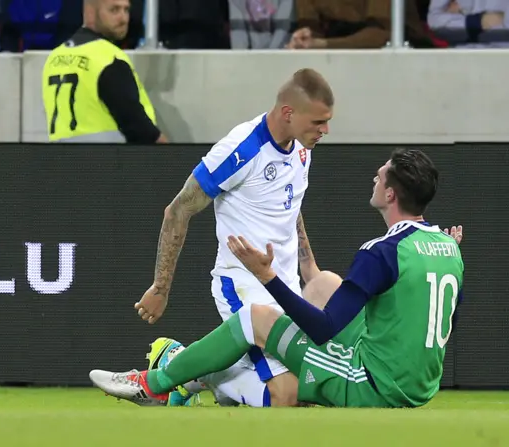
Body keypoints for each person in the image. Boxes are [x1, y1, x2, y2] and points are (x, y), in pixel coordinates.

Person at [89, 148, 465, 409]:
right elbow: (444, 321)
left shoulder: (381, 250)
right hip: (421, 387)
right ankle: (199, 370)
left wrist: (267, 276)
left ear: (389, 192)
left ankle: (156, 383)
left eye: (380, 173)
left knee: (257, 320)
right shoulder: (448, 247)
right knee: (324, 284)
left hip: (374, 387)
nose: (374, 175)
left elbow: (323, 328)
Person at [107, 68, 334, 408]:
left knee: (313, 392)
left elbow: (290, 204)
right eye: (318, 122)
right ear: (289, 112)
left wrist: (309, 268)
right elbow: (178, 210)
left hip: (283, 290)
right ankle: (185, 368)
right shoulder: (241, 149)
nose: (325, 131)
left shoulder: (301, 147)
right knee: (285, 397)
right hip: (243, 287)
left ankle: (208, 370)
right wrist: (160, 288)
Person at [41, 0, 167, 143]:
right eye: (114, 10)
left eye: (126, 10)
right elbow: (138, 127)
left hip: (62, 161)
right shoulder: (108, 58)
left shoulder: (55, 57)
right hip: (107, 160)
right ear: (90, 13)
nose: (123, 18)